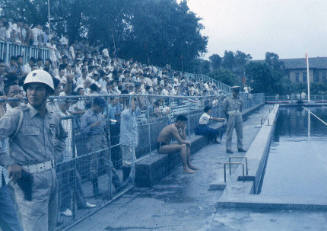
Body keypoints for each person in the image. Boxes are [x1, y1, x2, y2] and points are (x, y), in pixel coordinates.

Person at [0, 70, 67, 231]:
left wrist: (55, 157)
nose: (33, 93)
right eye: (30, 88)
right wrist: (9, 163)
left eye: (38, 89)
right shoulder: (17, 115)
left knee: (50, 226)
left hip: (51, 177)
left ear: (48, 92)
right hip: (28, 179)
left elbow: (62, 137)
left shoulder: (53, 116)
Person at [80, 97, 121, 197]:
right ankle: (95, 190)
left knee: (108, 162)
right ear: (96, 105)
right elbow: (83, 131)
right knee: (94, 165)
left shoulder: (100, 114)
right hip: (93, 140)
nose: (102, 109)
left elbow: (104, 126)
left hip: (102, 139)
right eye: (101, 107)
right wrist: (94, 125)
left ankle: (117, 184)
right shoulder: (86, 116)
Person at [120, 96, 138, 184]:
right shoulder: (125, 113)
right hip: (127, 141)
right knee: (127, 161)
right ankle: (126, 180)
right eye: (134, 103)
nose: (136, 105)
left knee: (131, 161)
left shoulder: (133, 113)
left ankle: (128, 179)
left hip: (131, 141)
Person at [223, 86, 246, 153]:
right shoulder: (227, 99)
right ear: (232, 91)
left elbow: (241, 108)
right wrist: (228, 117)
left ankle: (240, 147)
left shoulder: (240, 99)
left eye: (237, 91)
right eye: (235, 91)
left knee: (240, 133)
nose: (236, 93)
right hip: (231, 116)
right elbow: (224, 109)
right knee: (229, 133)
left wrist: (239, 114)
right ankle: (228, 148)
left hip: (238, 115)